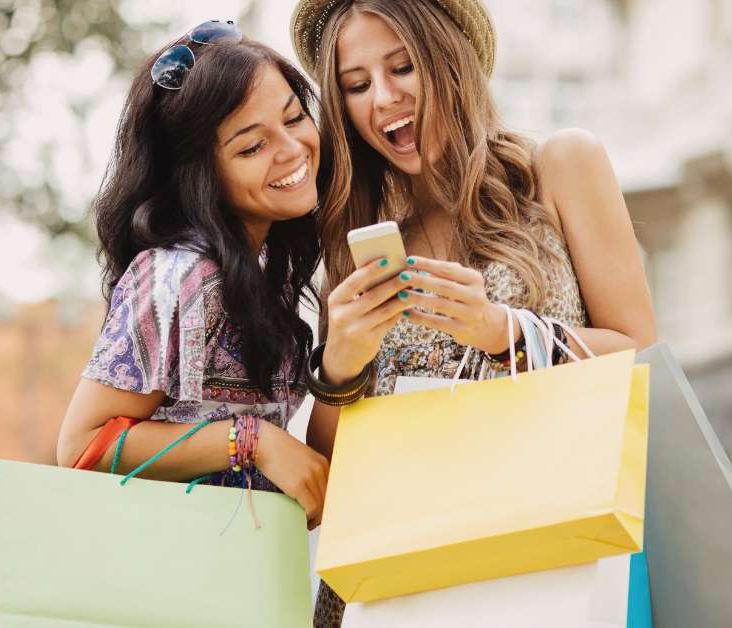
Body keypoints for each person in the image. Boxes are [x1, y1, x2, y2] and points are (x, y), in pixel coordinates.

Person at [289, 0, 657, 623]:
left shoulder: (560, 167)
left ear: (450, 60)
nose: (382, 98)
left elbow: (642, 355)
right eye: (356, 85)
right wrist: (340, 365)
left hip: (548, 557)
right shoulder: (356, 239)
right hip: (402, 583)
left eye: (402, 67)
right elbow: (332, 472)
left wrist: (504, 332)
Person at [54, 20, 329, 530]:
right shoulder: (174, 273)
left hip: (240, 573)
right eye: (251, 147)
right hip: (161, 585)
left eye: (294, 119)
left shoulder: (266, 272)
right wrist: (252, 440)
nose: (291, 149)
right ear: (202, 173)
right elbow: (82, 446)